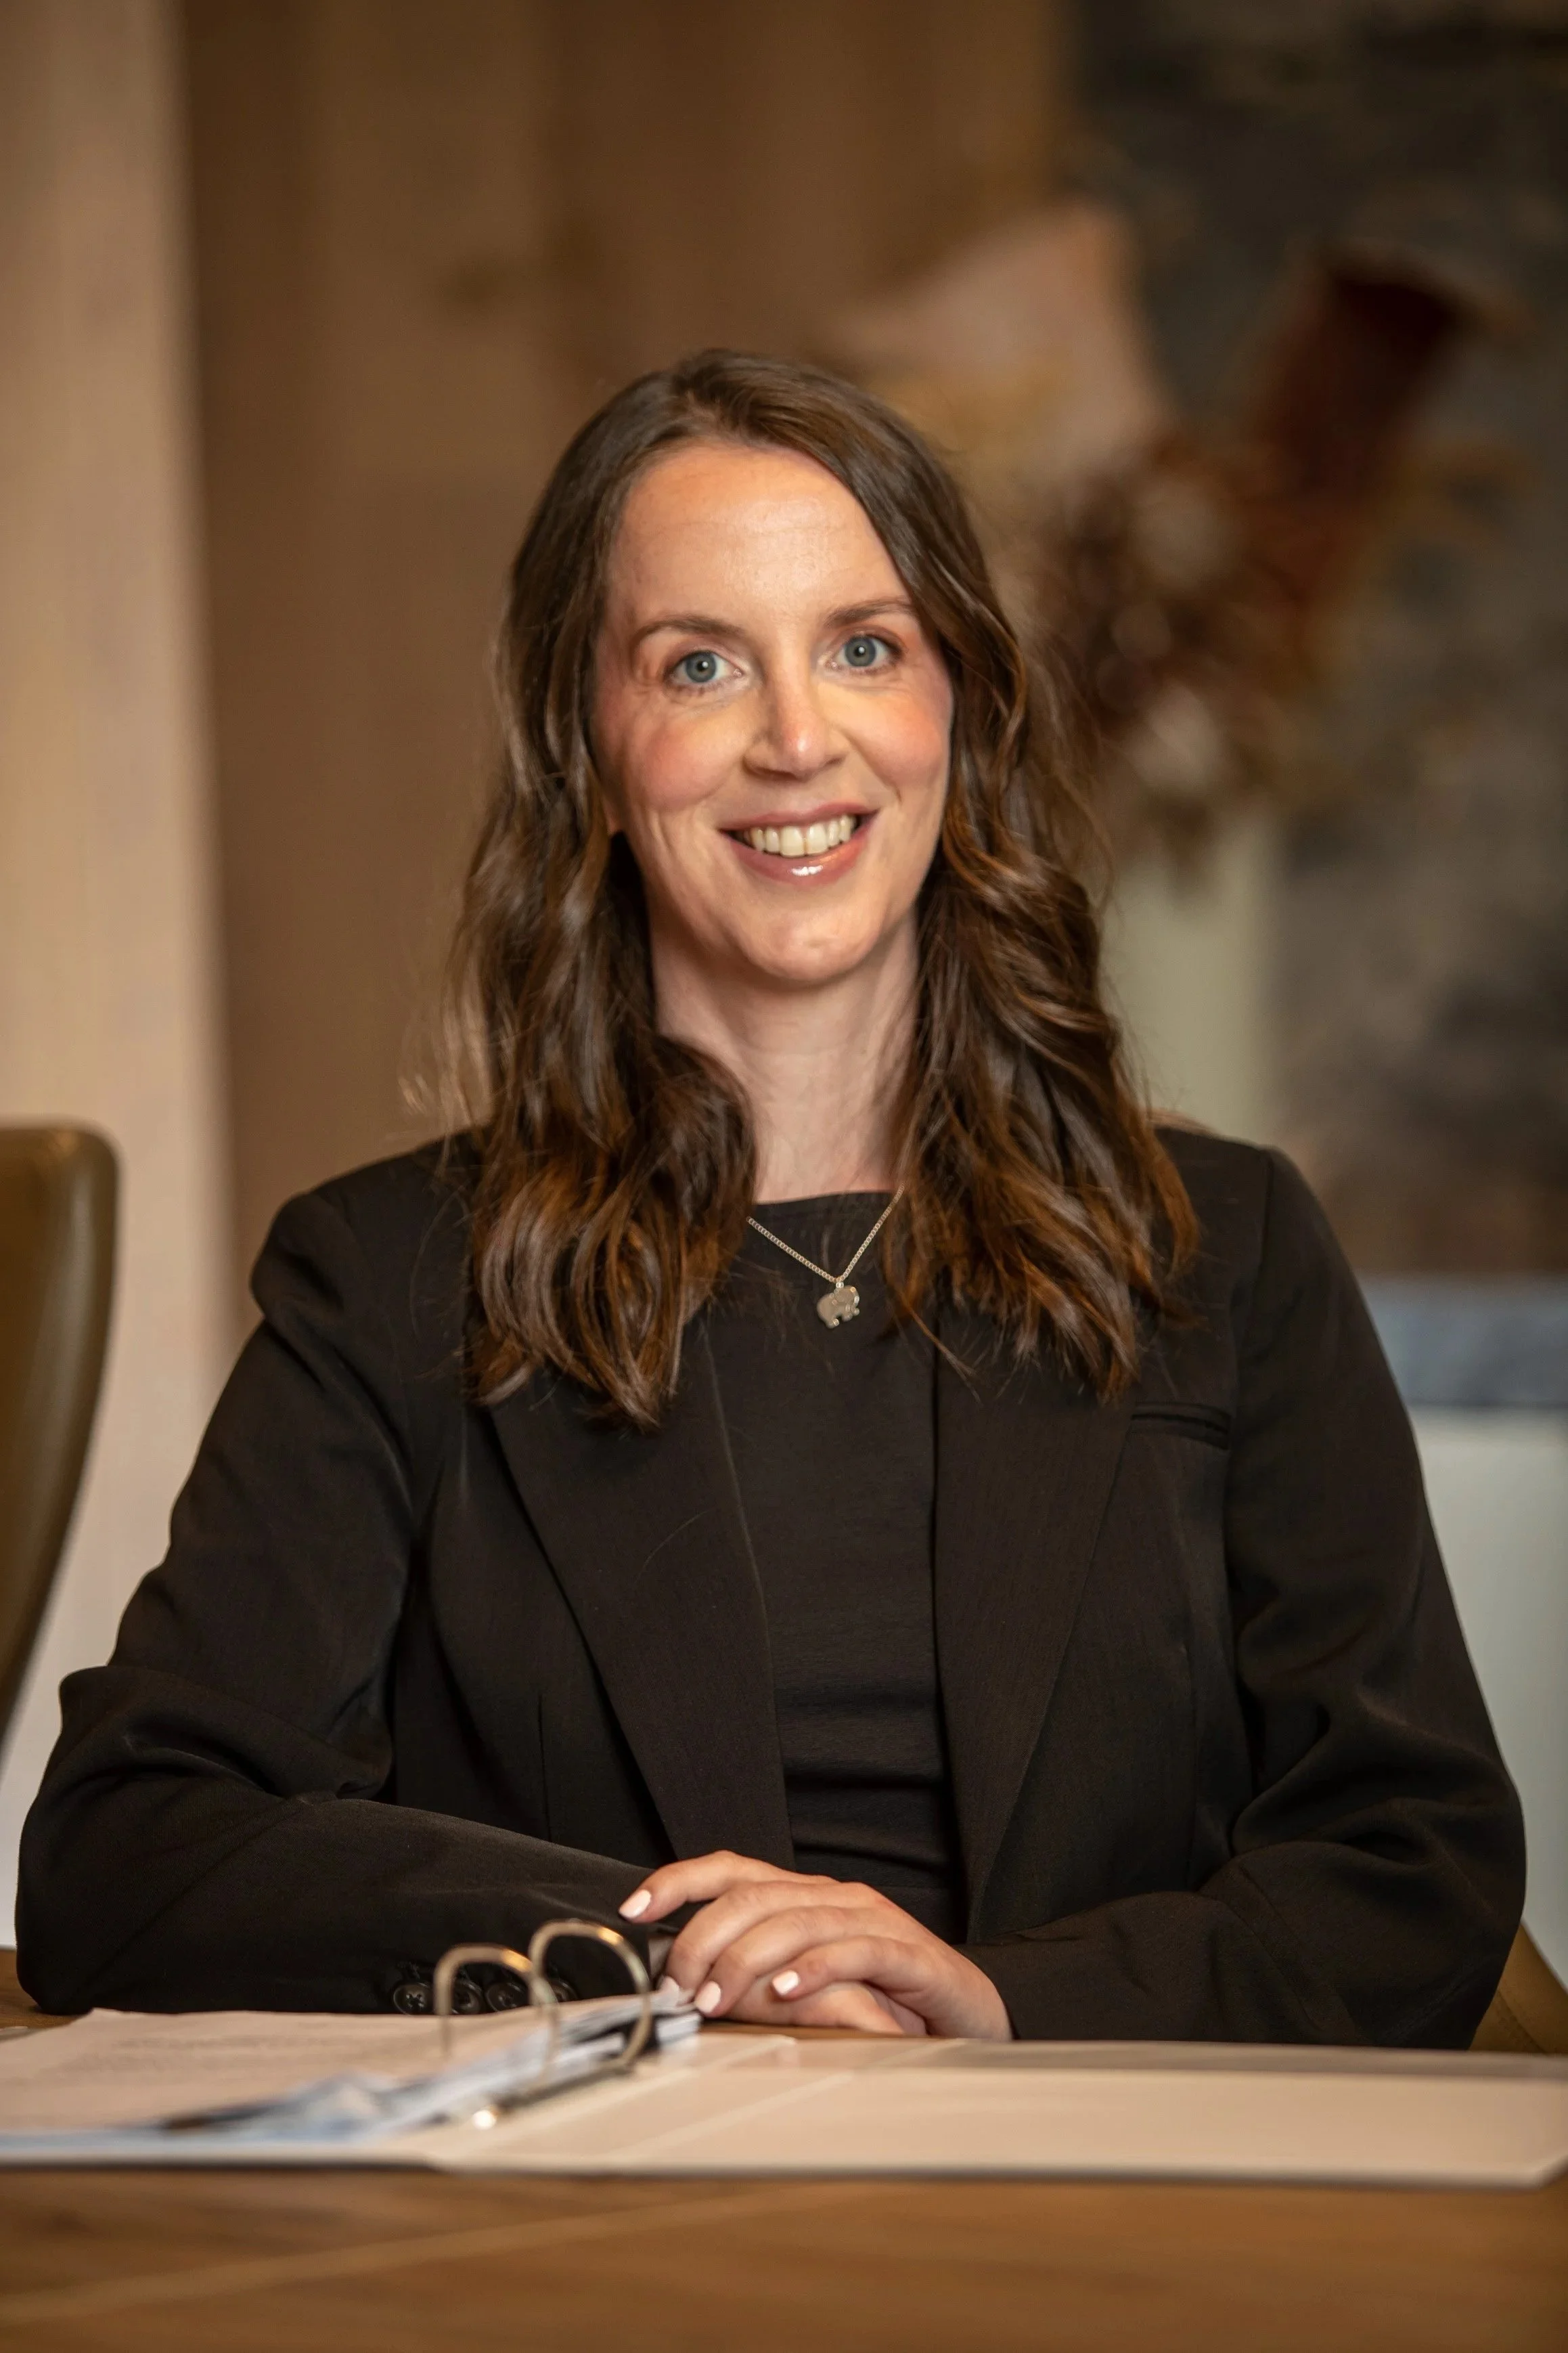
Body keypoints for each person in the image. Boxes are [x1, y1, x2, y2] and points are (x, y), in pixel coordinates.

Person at [18, 352, 1522, 2044]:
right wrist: (683, 1954)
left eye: (864, 648)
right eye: (702, 664)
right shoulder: (390, 1278)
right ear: (589, 743)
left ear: (959, 707)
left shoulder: (1228, 1251)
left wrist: (1002, 1999)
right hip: (605, 2228)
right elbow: (122, 1852)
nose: (799, 740)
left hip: (1112, 2194)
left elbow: (1411, 1862)